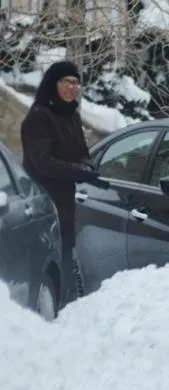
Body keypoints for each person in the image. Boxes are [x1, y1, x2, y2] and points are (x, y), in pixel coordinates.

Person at [20, 60, 103, 307]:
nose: (72, 87)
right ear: (52, 83)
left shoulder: (72, 115)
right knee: (48, 258)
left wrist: (87, 166)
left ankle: (65, 309)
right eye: (66, 81)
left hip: (65, 199)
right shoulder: (38, 116)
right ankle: (47, 310)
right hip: (43, 200)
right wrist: (78, 171)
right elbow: (43, 163)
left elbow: (81, 151)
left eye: (76, 83)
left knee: (66, 251)